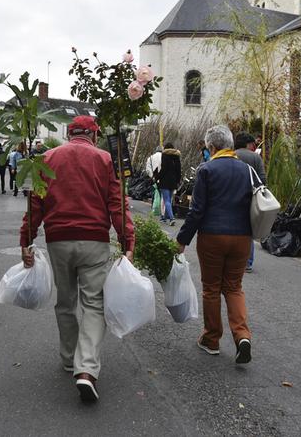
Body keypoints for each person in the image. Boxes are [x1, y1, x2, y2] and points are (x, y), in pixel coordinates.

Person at [20, 115, 135, 403]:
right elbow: (116, 204)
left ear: (69, 134)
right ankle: (86, 370)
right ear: (94, 135)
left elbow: (35, 203)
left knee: (65, 301)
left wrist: (26, 240)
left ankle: (69, 358)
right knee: (94, 304)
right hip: (94, 241)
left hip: (58, 240)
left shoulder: (46, 158)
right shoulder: (106, 160)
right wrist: (127, 240)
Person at [176, 125, 254, 364]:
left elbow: (197, 211)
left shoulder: (206, 169)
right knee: (233, 287)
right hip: (242, 237)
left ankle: (212, 339)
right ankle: (242, 336)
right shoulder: (247, 170)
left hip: (212, 235)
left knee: (211, 288)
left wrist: (182, 239)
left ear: (211, 147)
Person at [234, 132, 266, 272]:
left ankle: (233, 259)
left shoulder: (231, 155)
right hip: (250, 198)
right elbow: (262, 179)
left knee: (232, 228)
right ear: (248, 144)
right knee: (248, 231)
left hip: (232, 196)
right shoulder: (255, 157)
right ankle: (248, 262)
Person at [156, 142, 182, 226]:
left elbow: (164, 169)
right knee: (169, 200)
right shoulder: (177, 156)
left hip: (165, 181)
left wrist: (157, 177)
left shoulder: (164, 155)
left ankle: (171, 218)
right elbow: (179, 170)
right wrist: (178, 181)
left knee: (166, 200)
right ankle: (164, 218)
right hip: (173, 181)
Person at [145, 146, 164, 217]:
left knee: (154, 192)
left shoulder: (150, 158)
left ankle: (154, 207)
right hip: (162, 178)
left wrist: (152, 176)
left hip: (154, 178)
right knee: (162, 193)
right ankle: (161, 209)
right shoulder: (164, 157)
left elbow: (148, 169)